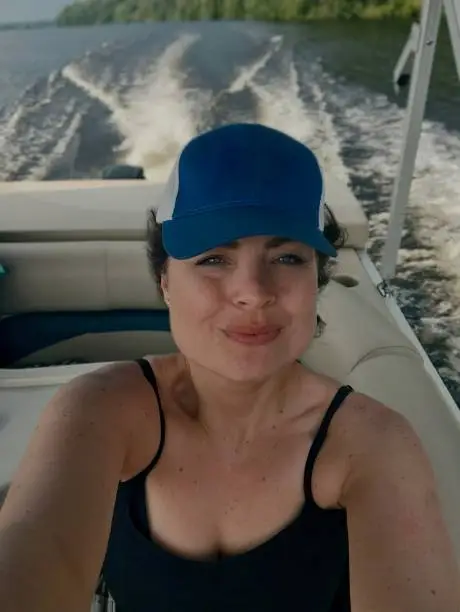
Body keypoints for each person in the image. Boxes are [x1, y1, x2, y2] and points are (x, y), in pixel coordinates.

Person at [0, 123, 458, 612]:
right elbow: (37, 548)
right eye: (214, 258)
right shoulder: (100, 409)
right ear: (165, 282)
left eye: (286, 257)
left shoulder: (371, 445)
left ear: (317, 281)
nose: (254, 291)